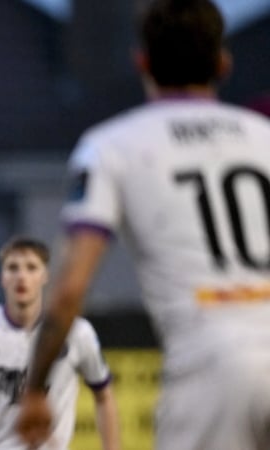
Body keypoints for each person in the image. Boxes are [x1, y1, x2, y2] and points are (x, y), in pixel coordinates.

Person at [16, 1, 270, 449]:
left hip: (209, 370)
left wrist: (36, 387)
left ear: (143, 62)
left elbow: (69, 289)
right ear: (223, 63)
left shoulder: (112, 146)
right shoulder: (262, 136)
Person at [0, 237, 119, 450]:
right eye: (12, 268)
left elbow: (104, 396)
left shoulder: (76, 332)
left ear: (45, 275)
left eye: (31, 267)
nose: (21, 276)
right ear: (2, 277)